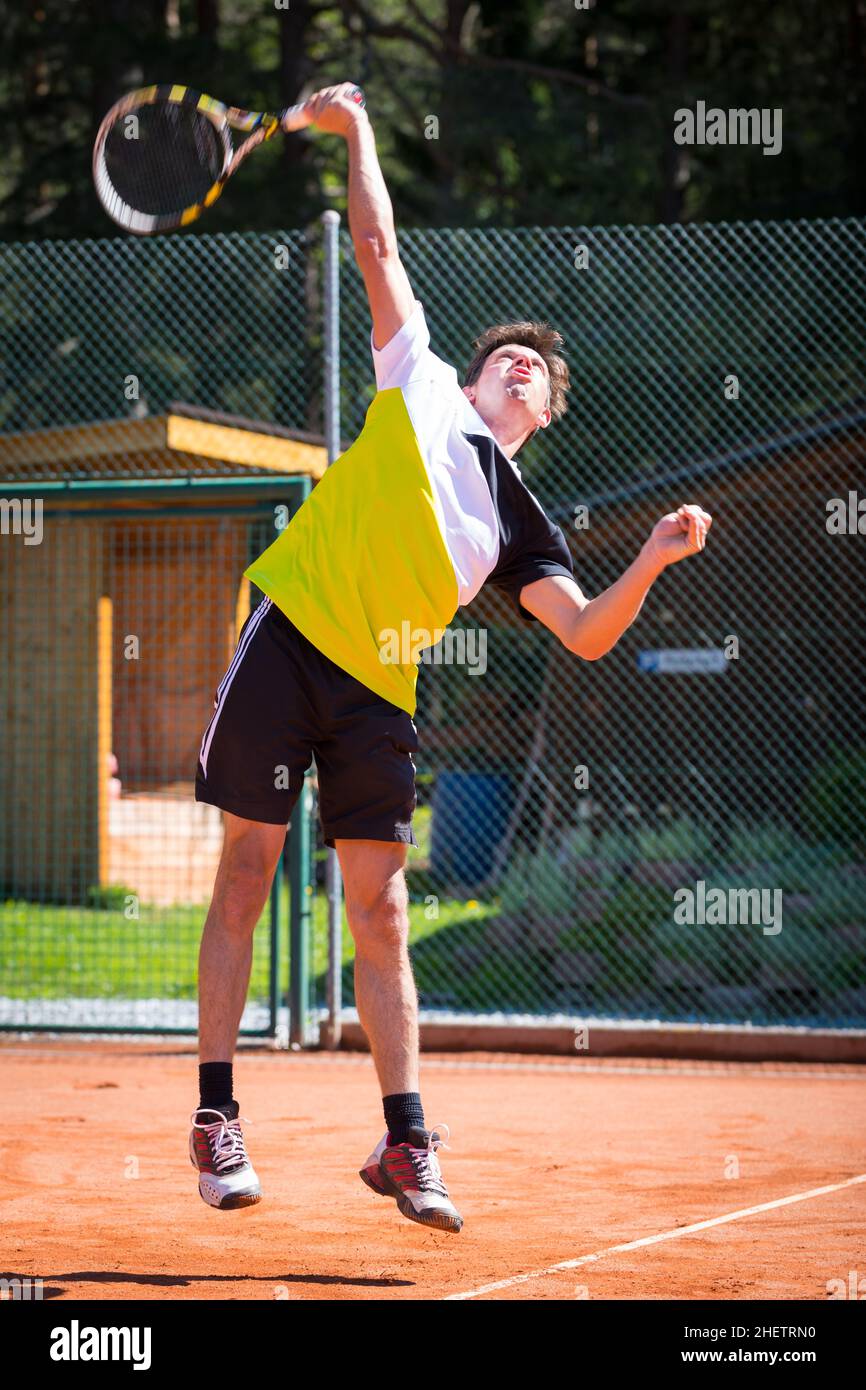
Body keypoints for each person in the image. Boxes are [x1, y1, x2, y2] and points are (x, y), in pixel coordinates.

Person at [189, 83, 713, 1234]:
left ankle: (406, 1142)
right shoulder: (417, 377)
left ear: (547, 409)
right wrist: (359, 125)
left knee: (377, 910)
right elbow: (373, 241)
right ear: (478, 376)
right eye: (509, 355)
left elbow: (580, 633)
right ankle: (216, 1115)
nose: (521, 365)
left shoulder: (524, 523)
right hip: (293, 636)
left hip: (379, 685)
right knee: (246, 868)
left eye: (537, 367)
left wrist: (654, 562)